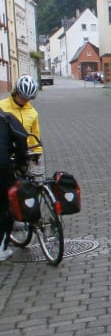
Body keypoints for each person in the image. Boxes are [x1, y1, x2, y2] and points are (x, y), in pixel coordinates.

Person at [0, 110, 28, 261]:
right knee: (7, 205)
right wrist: (21, 163)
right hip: (3, 169)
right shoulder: (6, 118)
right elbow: (22, 137)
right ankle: (2, 248)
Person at [0, 75, 42, 160]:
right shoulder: (1, 106)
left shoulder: (33, 113)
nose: (24, 100)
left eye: (28, 98)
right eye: (22, 97)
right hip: (4, 152)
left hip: (23, 153)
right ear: (16, 92)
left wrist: (37, 153)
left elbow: (35, 134)